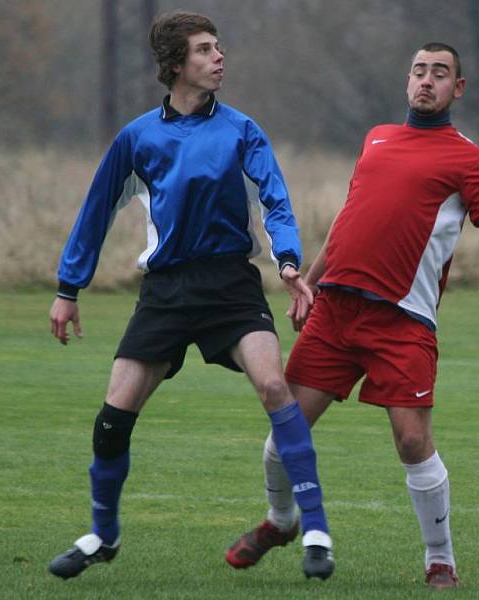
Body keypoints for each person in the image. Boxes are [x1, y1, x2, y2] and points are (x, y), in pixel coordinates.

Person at [225, 42, 479, 589]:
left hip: (402, 321)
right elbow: (350, 219)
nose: (427, 81)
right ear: (408, 81)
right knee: (287, 428)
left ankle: (439, 559)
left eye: (440, 74)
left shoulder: (468, 159)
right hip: (334, 309)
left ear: (458, 88)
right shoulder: (376, 137)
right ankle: (281, 522)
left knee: (410, 441)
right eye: (420, 71)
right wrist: (309, 278)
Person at [47, 11, 333, 581]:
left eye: (219, 47)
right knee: (113, 415)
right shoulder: (138, 137)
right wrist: (67, 287)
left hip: (230, 284)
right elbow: (95, 212)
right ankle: (103, 535)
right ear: (177, 65)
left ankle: (317, 530)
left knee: (274, 384)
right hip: (167, 292)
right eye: (206, 50)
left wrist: (289, 261)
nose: (219, 57)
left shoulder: (241, 130)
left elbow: (275, 198)